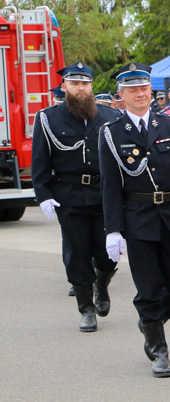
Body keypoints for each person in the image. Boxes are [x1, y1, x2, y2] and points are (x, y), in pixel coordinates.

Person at [99, 62, 170, 378]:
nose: (140, 94)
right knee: (149, 286)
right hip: (138, 220)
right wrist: (113, 229)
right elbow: (110, 184)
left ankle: (150, 321)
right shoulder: (111, 133)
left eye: (144, 88)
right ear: (122, 94)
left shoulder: (169, 127)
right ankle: (159, 349)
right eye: (133, 90)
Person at [32, 62, 120, 332]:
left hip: (104, 196)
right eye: (75, 84)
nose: (80, 89)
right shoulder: (48, 118)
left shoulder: (109, 116)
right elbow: (40, 160)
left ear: (91, 87)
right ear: (65, 87)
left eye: (85, 84)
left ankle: (101, 285)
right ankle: (86, 309)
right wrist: (44, 195)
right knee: (77, 254)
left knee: (107, 254)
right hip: (68, 196)